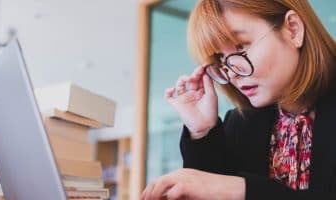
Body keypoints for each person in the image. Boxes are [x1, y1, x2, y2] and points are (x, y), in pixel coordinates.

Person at [141, 0, 336, 199]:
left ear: (293, 30)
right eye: (220, 59)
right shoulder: (241, 124)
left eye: (241, 48)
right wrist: (202, 132)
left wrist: (240, 189)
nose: (232, 73)